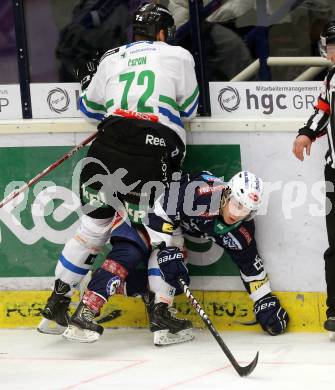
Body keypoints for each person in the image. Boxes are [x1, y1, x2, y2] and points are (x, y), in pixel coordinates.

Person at [38, 3, 198, 335]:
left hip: (107, 149)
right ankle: (161, 315)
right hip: (152, 154)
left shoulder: (111, 58)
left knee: (91, 231)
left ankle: (57, 302)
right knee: (163, 235)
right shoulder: (179, 55)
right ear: (164, 33)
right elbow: (190, 107)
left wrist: (88, 81)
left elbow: (90, 110)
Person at [63, 170, 289, 343]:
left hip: (176, 227)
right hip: (147, 207)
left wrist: (264, 301)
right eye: (237, 204)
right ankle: (96, 293)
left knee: (175, 274)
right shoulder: (201, 194)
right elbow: (159, 210)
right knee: (148, 256)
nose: (237, 214)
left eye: (246, 210)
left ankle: (158, 311)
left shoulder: (242, 230)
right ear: (227, 193)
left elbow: (250, 266)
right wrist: (166, 246)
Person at [292, 20, 335, 334]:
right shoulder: (331, 77)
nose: (330, 51)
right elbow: (323, 110)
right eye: (329, 44)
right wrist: (306, 133)